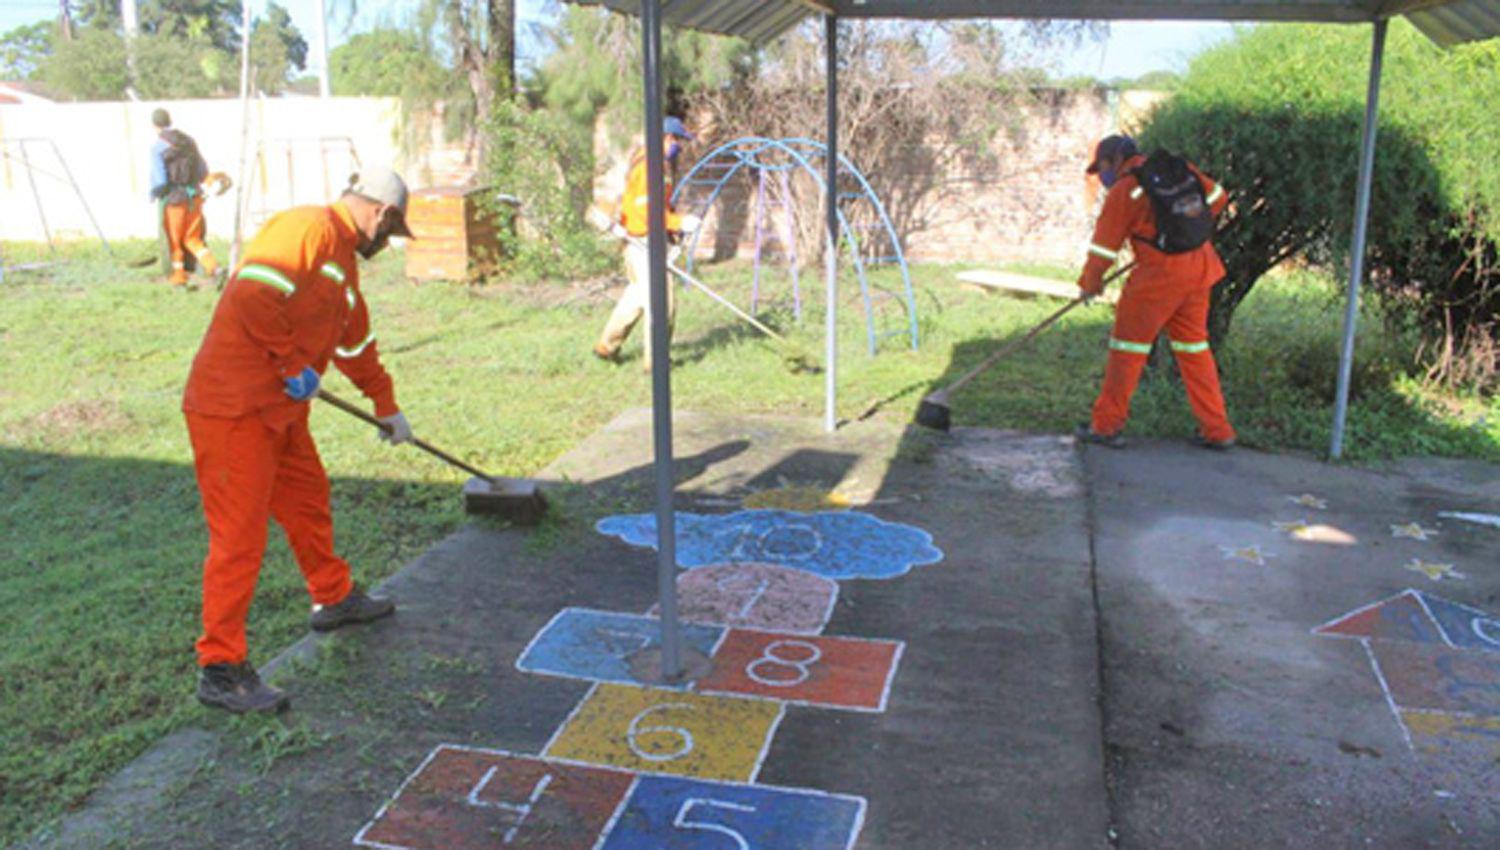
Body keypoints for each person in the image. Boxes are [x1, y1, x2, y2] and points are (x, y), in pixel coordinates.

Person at [182, 166, 417, 713]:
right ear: (381, 214)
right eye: (391, 232)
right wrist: (291, 363)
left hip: (281, 411)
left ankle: (333, 598)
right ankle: (220, 668)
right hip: (233, 409)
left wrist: (387, 407)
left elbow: (356, 344)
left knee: (309, 502)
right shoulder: (307, 229)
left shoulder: (342, 266)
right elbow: (250, 296)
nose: (386, 243)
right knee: (239, 539)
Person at [1074, 134, 1236, 450]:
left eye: (1103, 168)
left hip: (1158, 280)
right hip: (1200, 269)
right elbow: (1218, 199)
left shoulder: (1124, 191)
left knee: (1127, 350)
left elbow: (1103, 249)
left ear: (1115, 160)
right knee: (1194, 351)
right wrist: (1180, 232)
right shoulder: (1178, 169)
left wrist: (1089, 284)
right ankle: (1218, 430)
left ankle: (1105, 426)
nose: (1102, 176)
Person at [593, 116, 701, 371]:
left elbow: (658, 205)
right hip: (643, 241)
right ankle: (657, 363)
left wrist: (673, 227)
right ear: (665, 138)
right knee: (662, 301)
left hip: (645, 239)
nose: (679, 147)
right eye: (677, 140)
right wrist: (679, 222)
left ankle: (606, 347)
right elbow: (647, 211)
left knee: (636, 297)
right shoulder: (649, 166)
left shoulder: (656, 163)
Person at [149, 108, 220, 289]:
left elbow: (160, 180)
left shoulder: (158, 147)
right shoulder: (189, 142)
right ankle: (215, 269)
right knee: (193, 238)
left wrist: (154, 194)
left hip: (174, 201)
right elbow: (203, 169)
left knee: (175, 241)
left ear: (154, 125)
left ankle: (179, 278)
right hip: (194, 198)